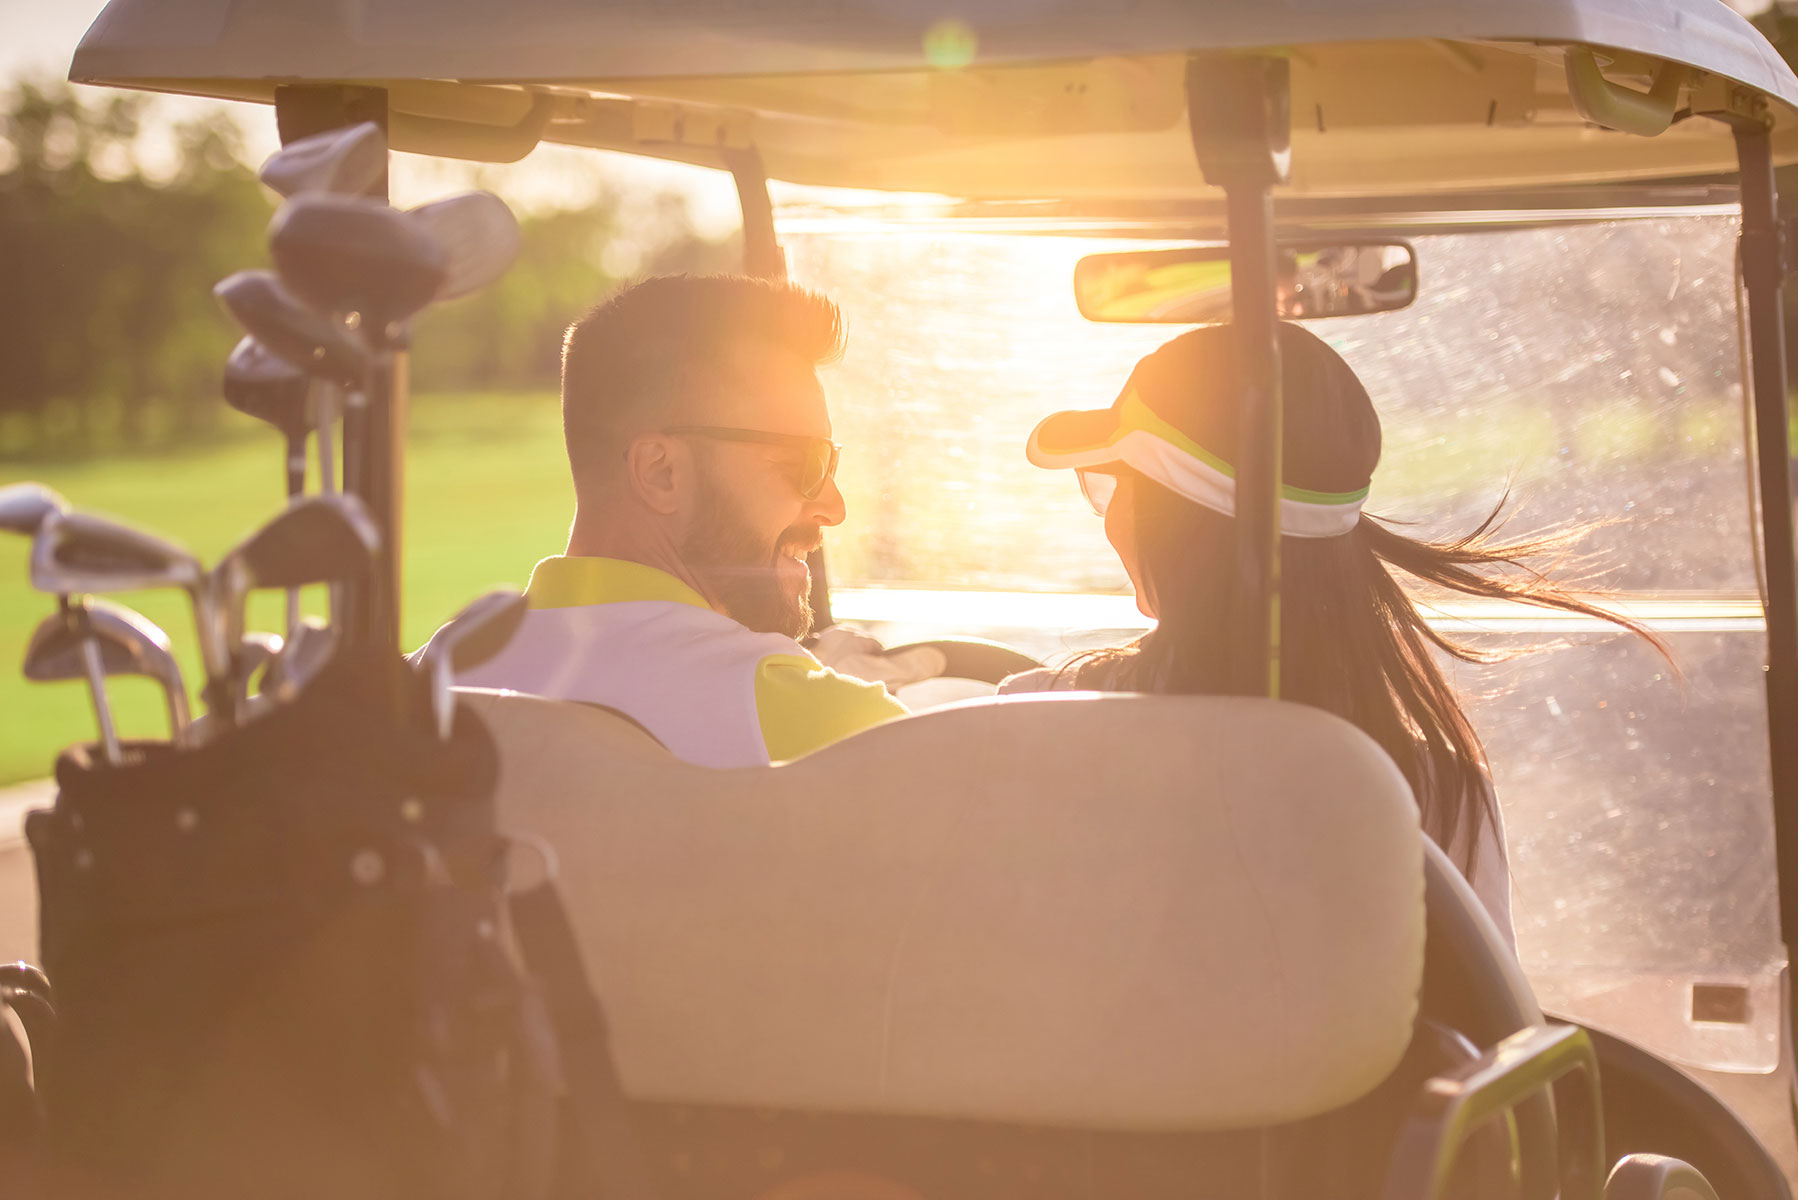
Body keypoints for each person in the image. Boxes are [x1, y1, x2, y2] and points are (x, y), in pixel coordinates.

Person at [1000, 322, 1668, 939]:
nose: (1108, 520)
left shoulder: (1024, 728)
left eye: (1112, 488)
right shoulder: (1436, 789)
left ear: (1168, 526)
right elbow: (1489, 1030)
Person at [449, 274, 934, 767]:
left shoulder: (420, 686)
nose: (834, 506)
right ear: (661, 472)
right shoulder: (831, 722)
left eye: (831, 463)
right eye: (805, 464)